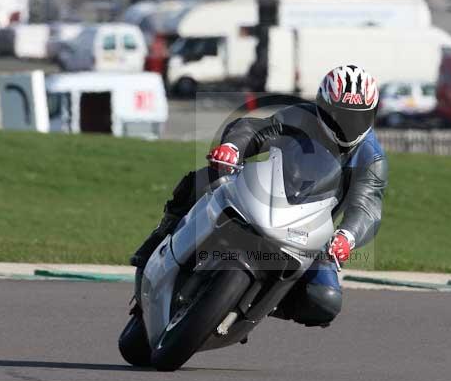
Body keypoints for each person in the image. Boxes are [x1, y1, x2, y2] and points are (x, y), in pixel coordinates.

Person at [130, 64, 388, 327]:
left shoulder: (372, 156)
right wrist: (232, 148)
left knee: (325, 300)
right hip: (264, 194)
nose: (348, 125)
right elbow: (256, 129)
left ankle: (260, 303)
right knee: (203, 178)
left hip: (311, 231)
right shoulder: (300, 117)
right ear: (322, 106)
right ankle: (163, 233)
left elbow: (367, 205)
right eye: (341, 115)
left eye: (358, 117)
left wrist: (348, 236)